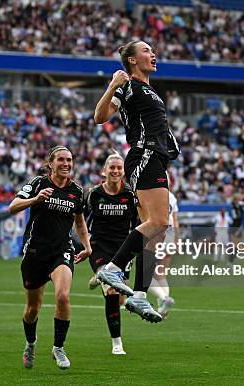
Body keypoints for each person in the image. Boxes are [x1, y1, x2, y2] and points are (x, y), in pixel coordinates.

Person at [93, 40, 180, 323]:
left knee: (154, 237)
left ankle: (140, 295)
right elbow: (100, 116)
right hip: (144, 155)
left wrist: (169, 141)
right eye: (146, 50)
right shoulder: (127, 84)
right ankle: (113, 267)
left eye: (153, 50)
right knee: (160, 223)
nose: (153, 53)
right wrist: (111, 86)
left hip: (157, 156)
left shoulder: (150, 90)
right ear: (131, 60)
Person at [8, 146, 91, 370]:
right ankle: (30, 343)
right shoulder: (38, 183)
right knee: (32, 308)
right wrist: (35, 199)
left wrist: (87, 246)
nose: (66, 164)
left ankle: (58, 347)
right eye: (61, 160)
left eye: (69, 160)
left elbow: (80, 222)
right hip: (35, 251)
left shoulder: (76, 190)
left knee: (63, 296)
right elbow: (12, 207)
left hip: (61, 250)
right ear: (51, 163)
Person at [81, 153, 138, 355]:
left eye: (118, 168)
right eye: (111, 167)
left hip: (123, 250)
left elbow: (138, 224)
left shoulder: (131, 195)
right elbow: (79, 217)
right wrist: (85, 239)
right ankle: (117, 343)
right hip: (99, 247)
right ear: (104, 170)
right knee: (112, 292)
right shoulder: (94, 194)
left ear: (123, 171)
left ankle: (100, 277)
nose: (115, 171)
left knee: (121, 299)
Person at [149, 188, 179, 318]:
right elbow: (175, 220)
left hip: (157, 234)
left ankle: (164, 298)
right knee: (161, 275)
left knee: (145, 277)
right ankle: (163, 309)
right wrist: (177, 239)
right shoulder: (172, 196)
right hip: (170, 234)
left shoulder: (151, 194)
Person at [229, 187, 244, 264]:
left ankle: (231, 262)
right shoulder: (234, 206)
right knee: (235, 246)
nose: (240, 199)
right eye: (239, 198)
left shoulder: (238, 205)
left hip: (238, 227)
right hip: (234, 228)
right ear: (236, 199)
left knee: (236, 246)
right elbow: (235, 218)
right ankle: (230, 262)